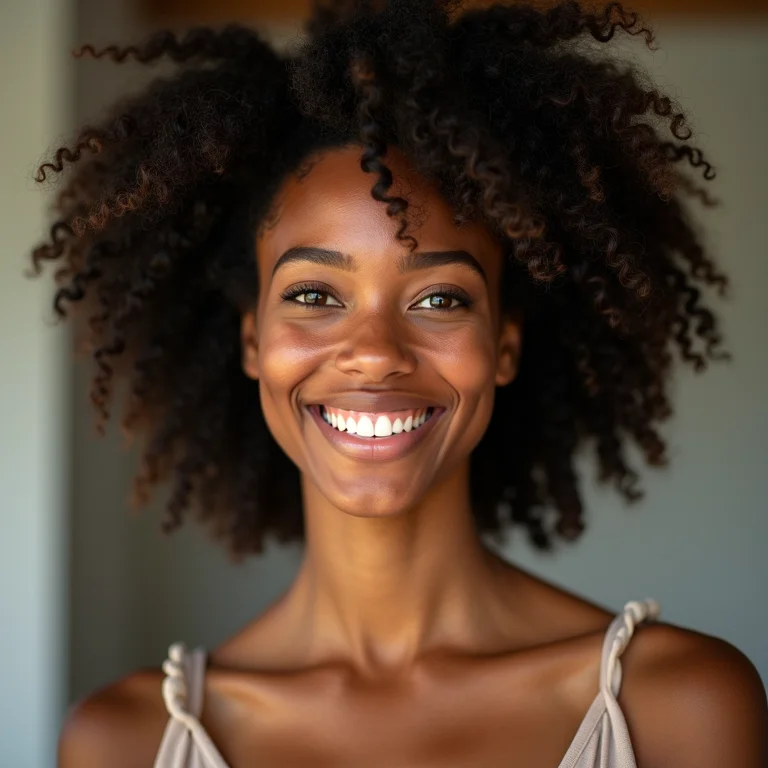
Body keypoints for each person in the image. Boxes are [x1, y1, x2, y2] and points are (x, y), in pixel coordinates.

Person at [29, 0, 766, 765]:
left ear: (503, 347)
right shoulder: (122, 741)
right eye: (314, 296)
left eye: (440, 298)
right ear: (253, 340)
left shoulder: (679, 705)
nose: (375, 353)